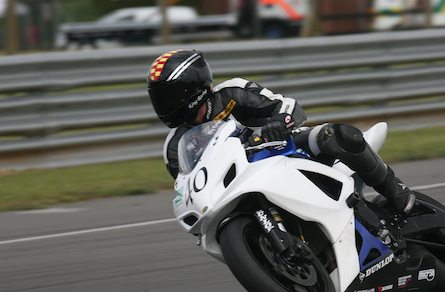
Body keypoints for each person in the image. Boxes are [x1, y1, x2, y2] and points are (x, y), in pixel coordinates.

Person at [147, 49, 415, 216]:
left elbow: (289, 107)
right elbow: (187, 191)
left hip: (282, 151)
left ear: (192, 87)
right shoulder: (174, 148)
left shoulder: (232, 92)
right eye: (158, 98)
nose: (163, 105)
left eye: (168, 97)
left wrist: (277, 123)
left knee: (333, 136)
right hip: (239, 186)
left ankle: (394, 190)